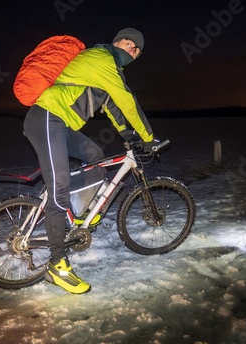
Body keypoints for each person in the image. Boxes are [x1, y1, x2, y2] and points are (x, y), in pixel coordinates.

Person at [23, 27, 158, 294]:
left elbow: (115, 109)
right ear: (124, 42)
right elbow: (128, 102)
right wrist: (149, 137)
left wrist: (130, 136)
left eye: (138, 53)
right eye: (134, 48)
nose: (135, 55)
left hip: (61, 124)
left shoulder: (106, 72)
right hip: (47, 117)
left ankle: (81, 213)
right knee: (59, 189)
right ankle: (57, 266)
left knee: (95, 156)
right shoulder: (101, 59)